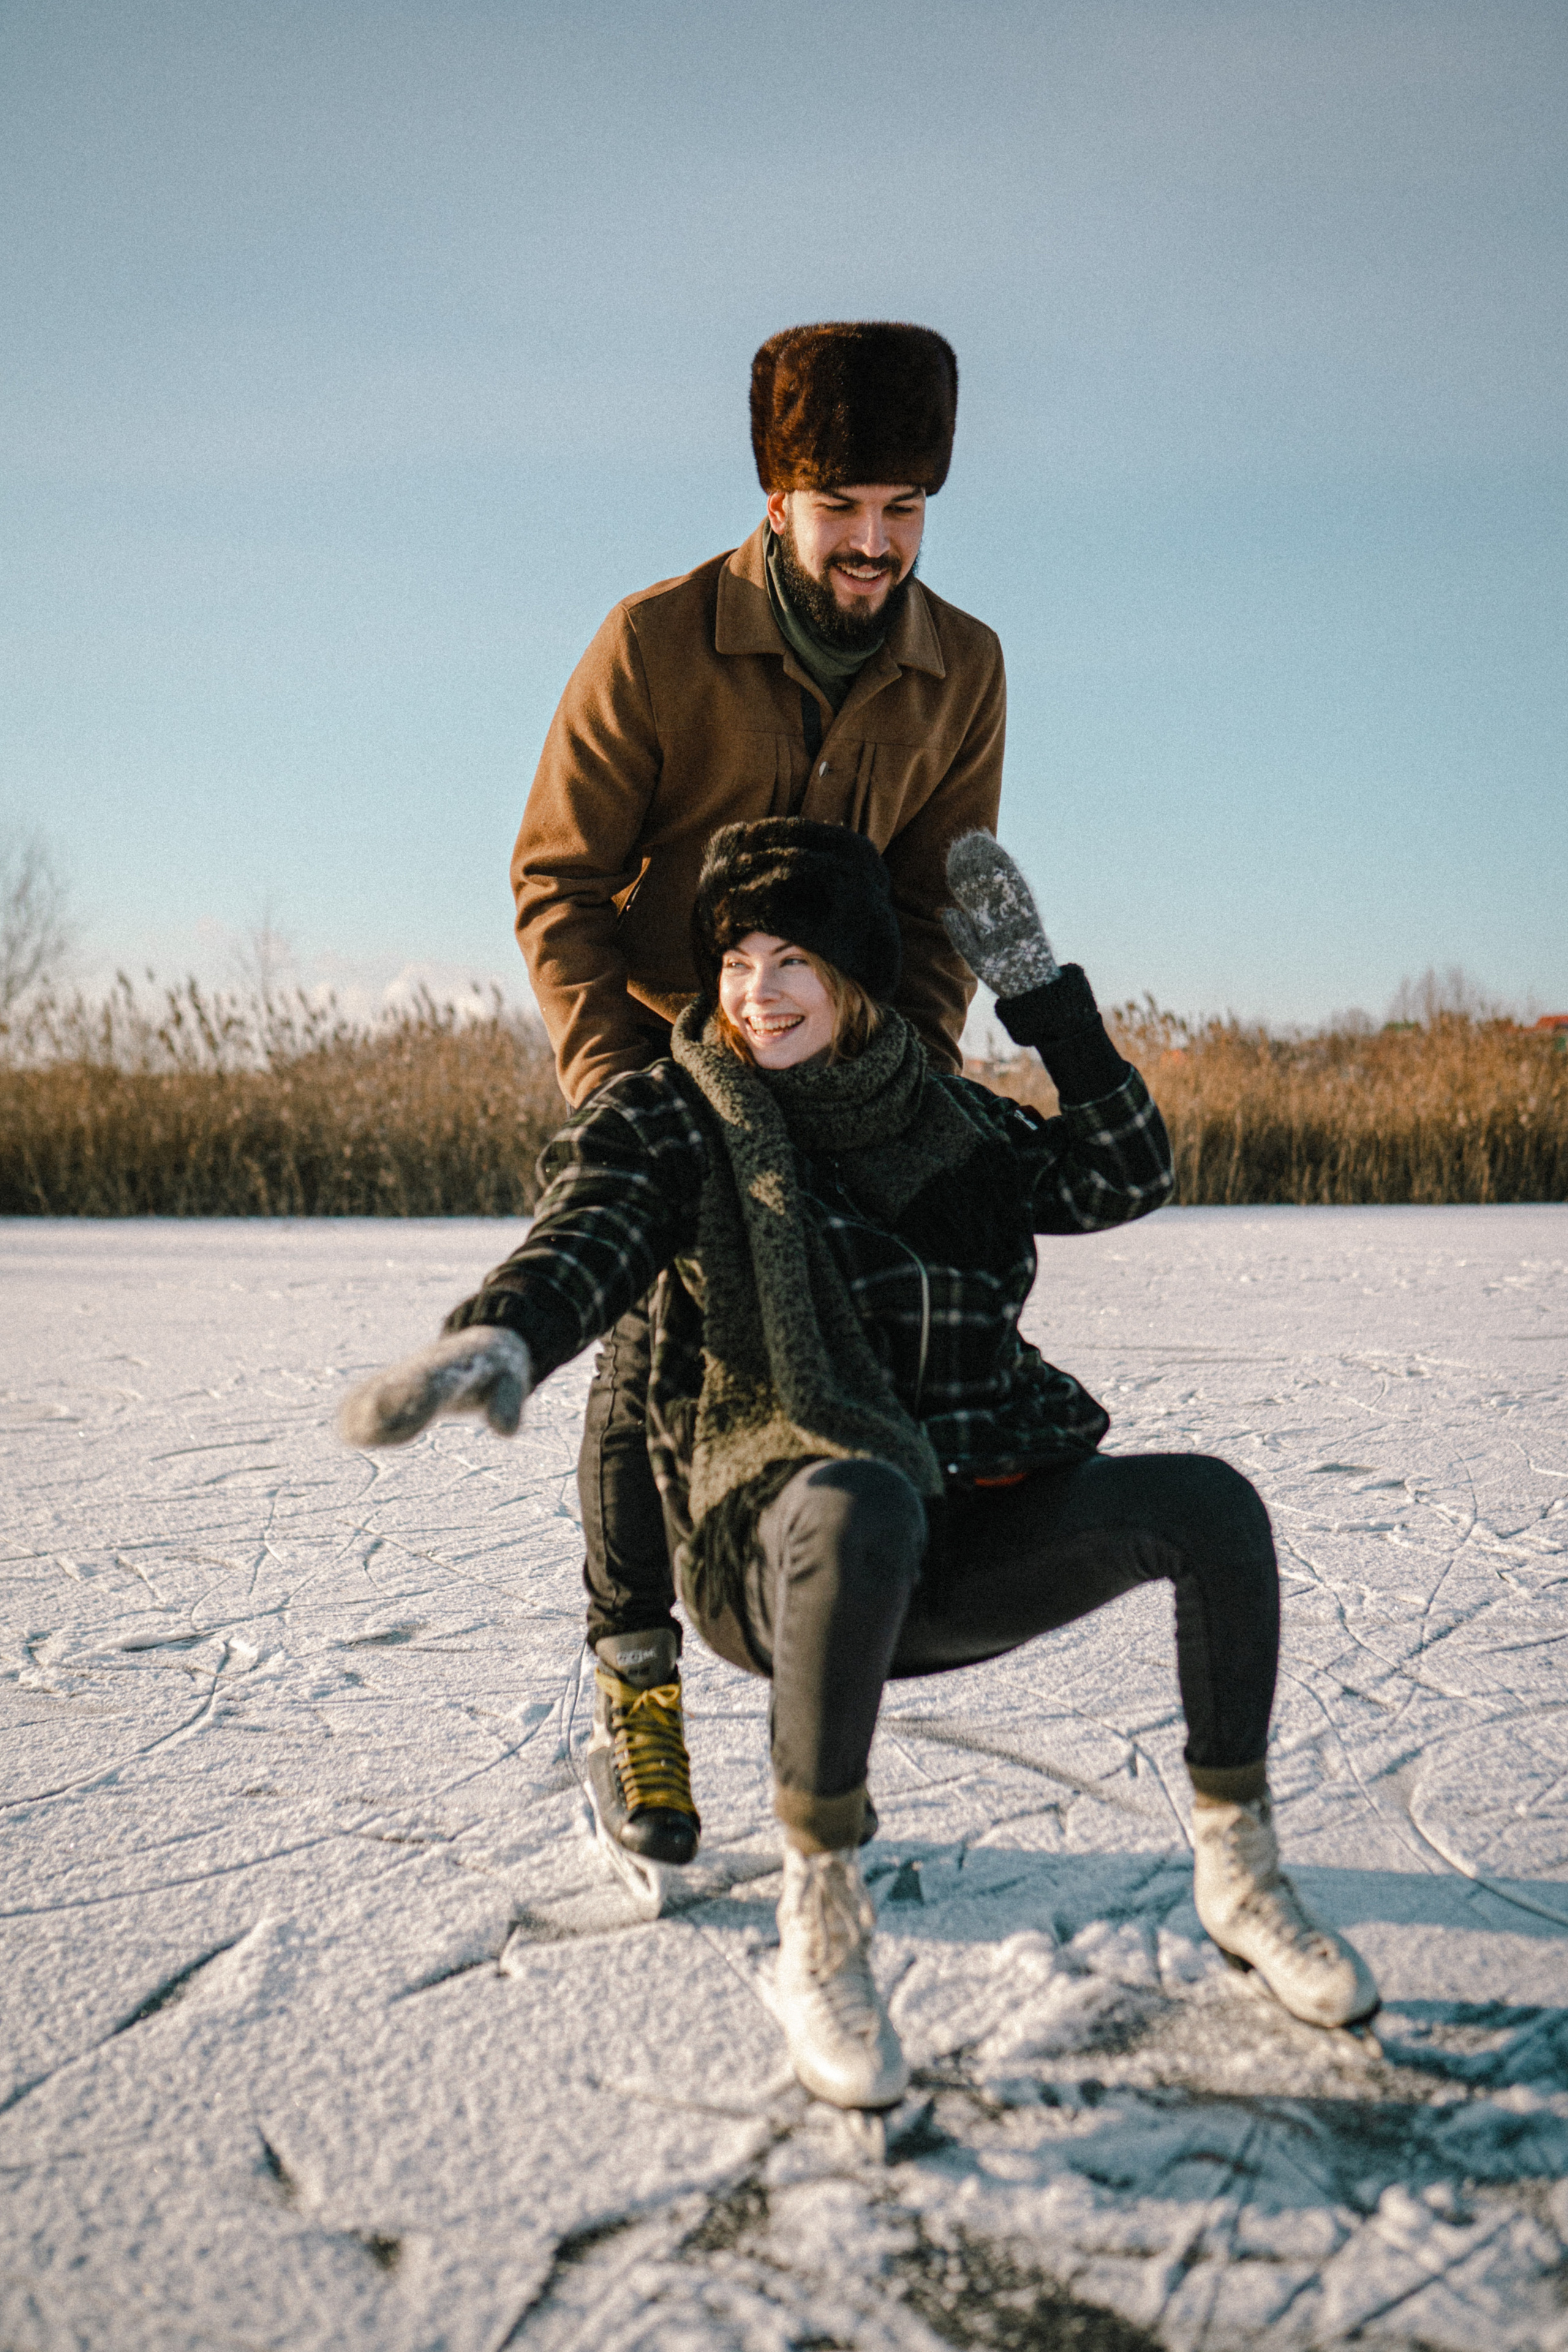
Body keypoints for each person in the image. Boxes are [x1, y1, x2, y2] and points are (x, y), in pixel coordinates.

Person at [341, 820, 1381, 2112]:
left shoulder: (943, 1116)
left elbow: (1124, 1173)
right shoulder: (680, 1114)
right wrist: (504, 1332)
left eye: (792, 960)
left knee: (1209, 1506)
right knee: (860, 1494)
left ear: (857, 981)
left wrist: (1039, 993)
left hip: (953, 1532)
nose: (755, 993)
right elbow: (594, 1220)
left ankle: (1237, 1869)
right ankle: (820, 1921)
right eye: (734, 959)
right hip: (774, 1545)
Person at [512, 322, 1007, 1869]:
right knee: (643, 1341)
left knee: (839, 1344)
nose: (874, 543)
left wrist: (894, 1078)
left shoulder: (963, 668)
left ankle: (830, 1648)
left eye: (904, 509)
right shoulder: (655, 642)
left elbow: (936, 913)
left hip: (839, 1063)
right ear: (778, 495)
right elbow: (558, 882)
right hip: (673, 1042)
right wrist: (617, 1082)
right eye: (842, 504)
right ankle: (637, 1693)